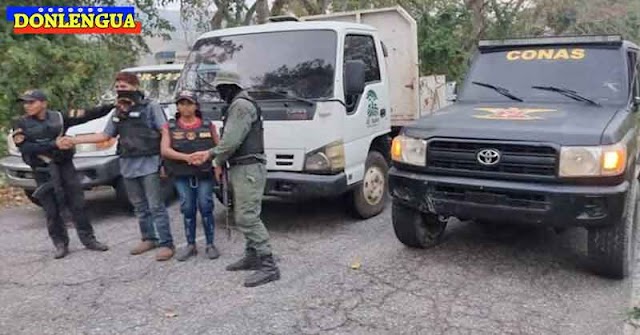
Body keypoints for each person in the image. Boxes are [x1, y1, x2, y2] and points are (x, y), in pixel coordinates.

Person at [67, 72, 175, 261]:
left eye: (124, 87)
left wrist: (165, 158)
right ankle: (148, 238)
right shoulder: (118, 111)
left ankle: (166, 243)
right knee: (139, 206)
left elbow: (164, 130)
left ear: (135, 86)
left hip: (149, 162)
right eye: (117, 87)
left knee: (156, 205)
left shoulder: (151, 107)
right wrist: (73, 140)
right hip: (127, 163)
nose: (120, 90)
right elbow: (104, 136)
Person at [191, 69, 280, 287]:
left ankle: (269, 265)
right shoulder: (239, 104)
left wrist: (212, 156)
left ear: (231, 88)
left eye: (222, 89)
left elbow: (231, 141)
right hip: (244, 167)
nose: (219, 93)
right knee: (247, 212)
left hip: (248, 168)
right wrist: (215, 156)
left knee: (246, 216)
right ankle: (252, 256)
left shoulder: (240, 106)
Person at [12, 89, 112, 259]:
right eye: (25, 103)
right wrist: (54, 144)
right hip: (43, 169)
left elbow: (87, 114)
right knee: (51, 208)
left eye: (31, 102)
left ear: (43, 103)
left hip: (64, 164)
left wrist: (112, 106)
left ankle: (89, 239)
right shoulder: (20, 123)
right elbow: (25, 147)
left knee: (77, 202)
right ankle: (60, 243)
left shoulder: (59, 117)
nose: (27, 106)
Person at [161, 90, 221, 261]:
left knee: (205, 206)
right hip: (181, 174)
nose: (185, 107)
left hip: (204, 173)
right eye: (181, 103)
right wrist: (186, 158)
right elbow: (165, 150)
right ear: (177, 106)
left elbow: (219, 148)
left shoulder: (208, 125)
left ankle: (210, 244)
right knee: (187, 208)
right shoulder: (169, 127)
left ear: (196, 106)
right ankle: (191, 245)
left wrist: (217, 166)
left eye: (189, 103)